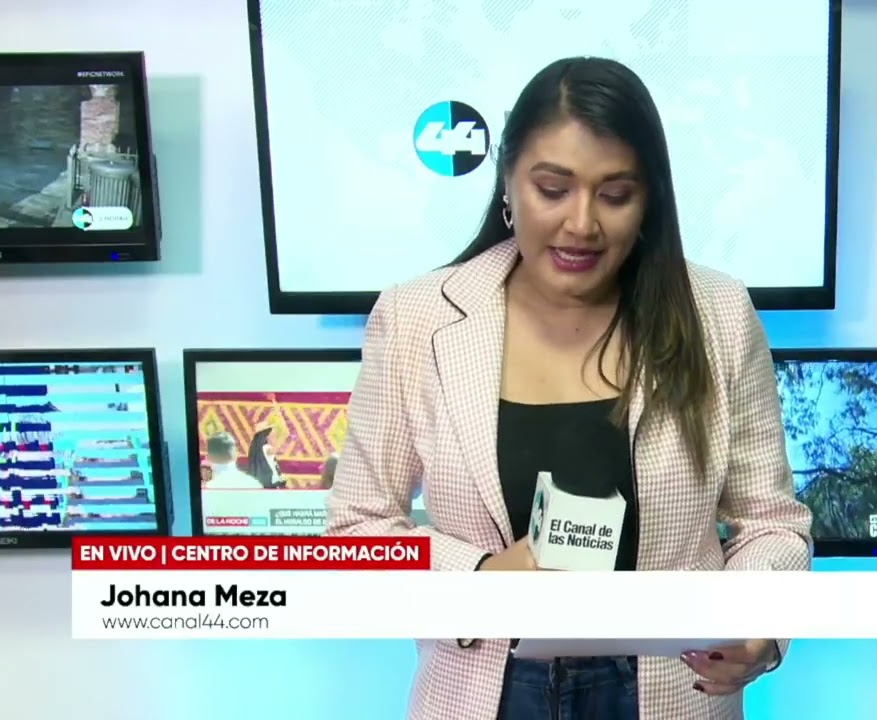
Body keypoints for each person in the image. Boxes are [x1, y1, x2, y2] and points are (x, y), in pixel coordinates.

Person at [326, 56, 812, 720]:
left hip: (671, 692)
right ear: (507, 183)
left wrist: (758, 627)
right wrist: (477, 578)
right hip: (480, 690)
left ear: (649, 200)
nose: (581, 224)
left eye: (615, 195)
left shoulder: (718, 315)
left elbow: (771, 524)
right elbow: (355, 530)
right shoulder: (416, 319)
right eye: (552, 189)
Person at [244, 424, 285, 488]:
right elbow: (274, 450)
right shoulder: (266, 447)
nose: (275, 438)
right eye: (273, 436)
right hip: (271, 480)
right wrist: (282, 437)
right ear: (266, 436)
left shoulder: (260, 448)